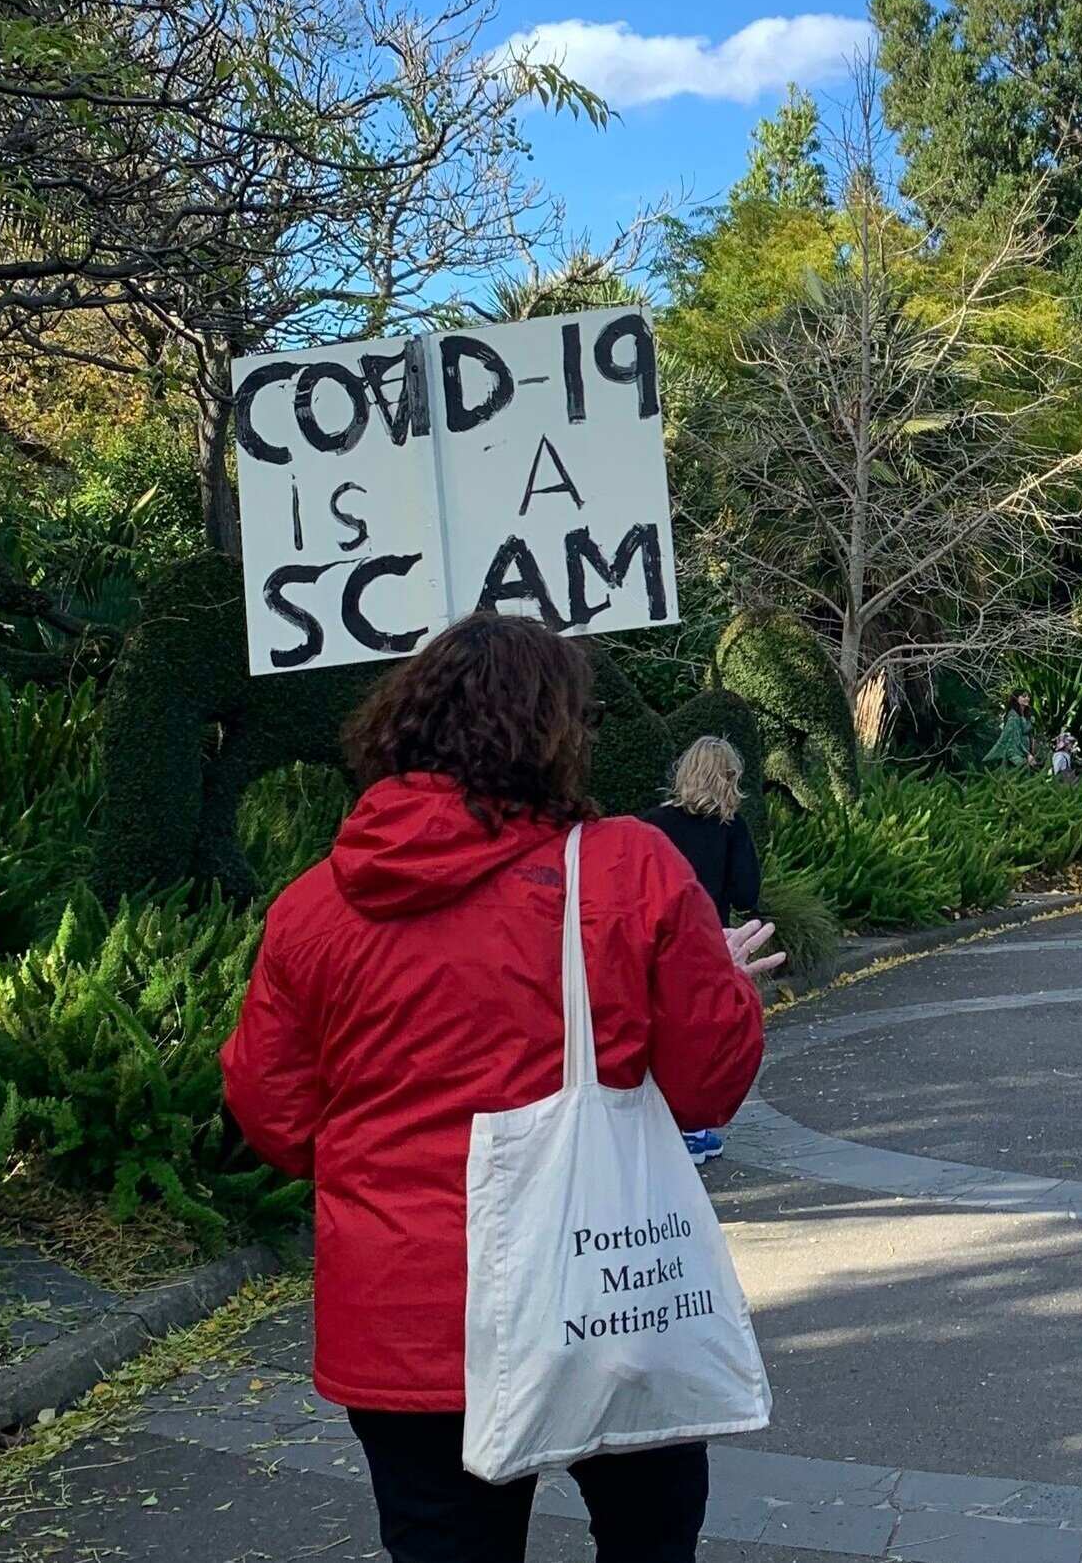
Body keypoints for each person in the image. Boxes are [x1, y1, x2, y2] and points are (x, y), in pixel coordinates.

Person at [223, 613, 779, 1563]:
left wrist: (385, 1170)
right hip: (603, 1291)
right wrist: (717, 978)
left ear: (400, 724)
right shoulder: (629, 867)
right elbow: (704, 1085)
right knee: (651, 1533)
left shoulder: (312, 906)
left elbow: (273, 1112)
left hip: (406, 1319)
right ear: (558, 733)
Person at [640, 736, 761, 925]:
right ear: (729, 778)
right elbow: (745, 896)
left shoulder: (653, 821)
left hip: (658, 932)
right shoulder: (731, 826)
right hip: (708, 934)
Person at [987, 689, 1038, 769]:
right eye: (1024, 696)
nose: (1027, 698)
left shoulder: (1025, 714)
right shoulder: (1013, 716)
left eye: (1028, 696)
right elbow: (1015, 738)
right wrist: (1028, 754)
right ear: (1016, 698)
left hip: (1025, 752)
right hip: (1015, 753)